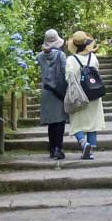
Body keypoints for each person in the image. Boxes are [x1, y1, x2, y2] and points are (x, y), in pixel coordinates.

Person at [65, 30, 105, 160]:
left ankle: (83, 143)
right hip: (94, 93)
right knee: (92, 122)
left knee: (76, 122)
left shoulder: (71, 60)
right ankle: (90, 151)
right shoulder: (93, 58)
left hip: (79, 96)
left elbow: (68, 78)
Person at [36, 29, 68, 160]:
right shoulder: (61, 55)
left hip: (47, 91)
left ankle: (51, 148)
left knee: (51, 122)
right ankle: (57, 149)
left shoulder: (40, 56)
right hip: (59, 91)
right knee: (60, 121)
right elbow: (66, 71)